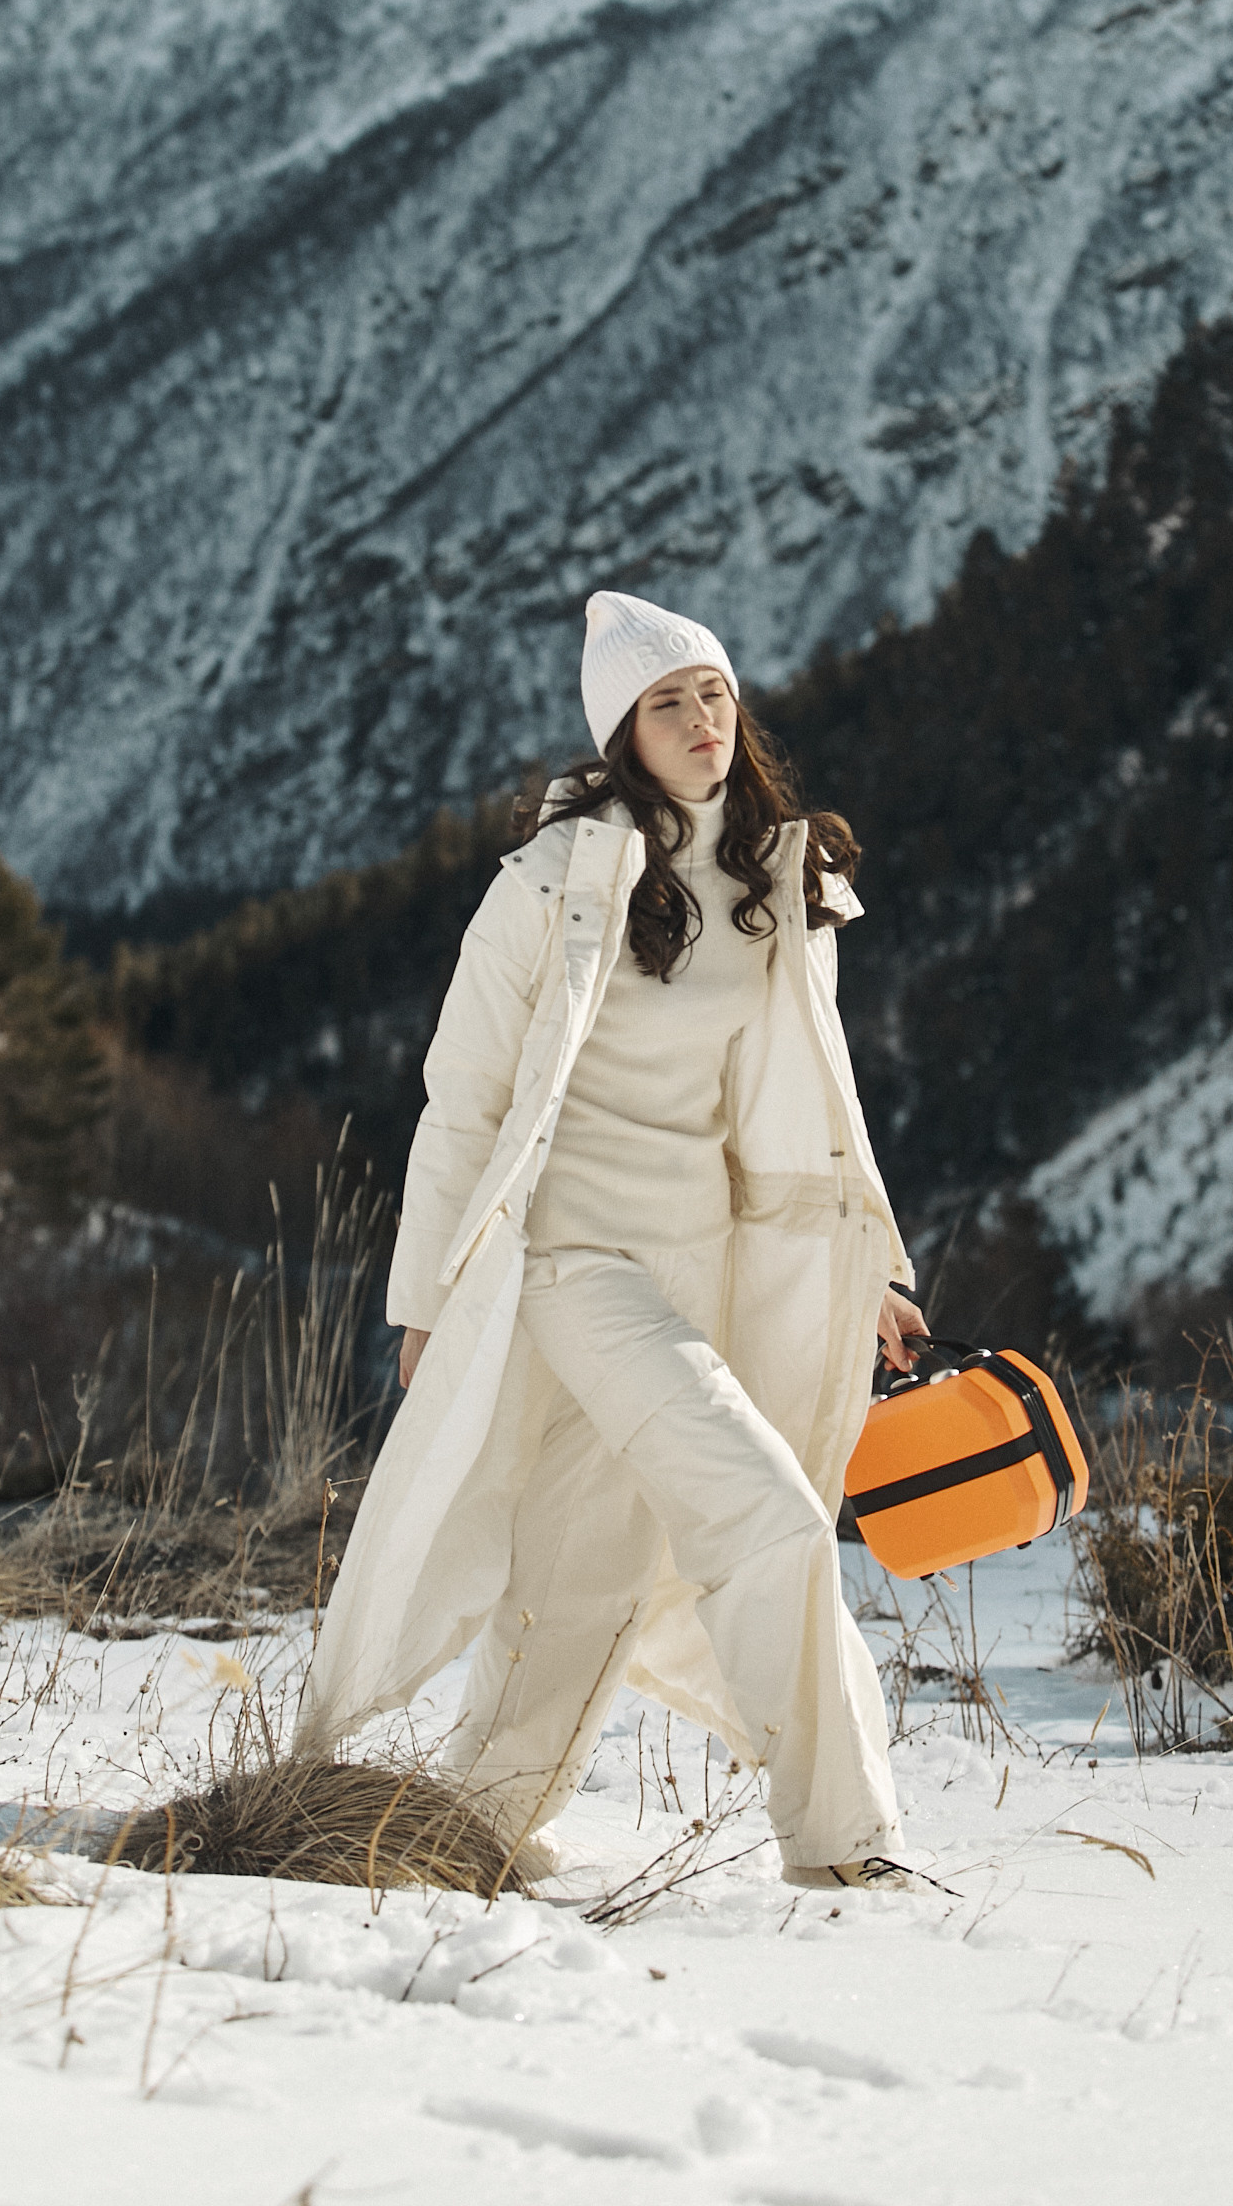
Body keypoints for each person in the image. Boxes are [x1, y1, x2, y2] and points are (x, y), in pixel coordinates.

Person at [295, 589, 927, 1886]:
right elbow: (463, 1100)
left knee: (580, 1570)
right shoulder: (551, 883)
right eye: (665, 703)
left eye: (713, 695)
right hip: (575, 1264)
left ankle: (469, 1825)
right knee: (770, 1517)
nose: (700, 720)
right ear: (618, 736)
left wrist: (876, 1267)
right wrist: (426, 1303)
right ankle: (847, 1847)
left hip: (713, 1262)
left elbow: (820, 1099)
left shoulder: (780, 879)